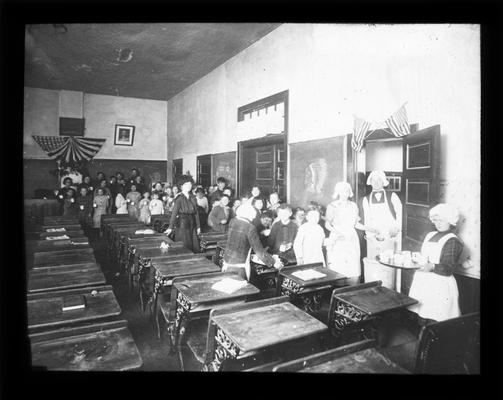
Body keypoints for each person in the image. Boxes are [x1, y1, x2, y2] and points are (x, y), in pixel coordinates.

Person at [407, 204, 463, 322]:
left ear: (450, 220)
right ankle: (421, 339)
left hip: (440, 284)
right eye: (435, 220)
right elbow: (425, 256)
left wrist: (431, 266)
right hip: (424, 282)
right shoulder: (430, 235)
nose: (438, 223)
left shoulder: (452, 240)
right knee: (422, 314)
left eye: (441, 220)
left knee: (436, 318)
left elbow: (448, 268)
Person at [361, 170, 402, 288]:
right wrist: (371, 236)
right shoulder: (366, 199)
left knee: (390, 264)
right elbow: (367, 220)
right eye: (374, 180)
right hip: (374, 237)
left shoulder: (392, 196)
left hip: (391, 235)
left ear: (383, 181)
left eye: (379, 180)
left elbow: (400, 213)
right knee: (374, 265)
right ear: (370, 182)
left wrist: (396, 228)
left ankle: (391, 289)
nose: (376, 182)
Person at [222, 203, 281, 280]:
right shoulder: (250, 227)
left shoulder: (233, 221)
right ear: (252, 215)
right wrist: (274, 262)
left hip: (227, 261)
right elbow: (259, 251)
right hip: (240, 266)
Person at [325, 182, 368, 284]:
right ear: (338, 192)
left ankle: (351, 293)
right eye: (342, 191)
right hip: (338, 238)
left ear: (349, 192)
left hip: (351, 238)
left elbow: (356, 224)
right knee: (338, 268)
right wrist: (338, 233)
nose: (344, 193)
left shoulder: (353, 206)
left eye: (346, 190)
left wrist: (369, 228)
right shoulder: (332, 206)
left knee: (352, 268)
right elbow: (327, 225)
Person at [164, 176, 201, 252]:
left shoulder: (193, 197)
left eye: (190, 184)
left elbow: (196, 213)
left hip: (192, 224)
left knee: (194, 247)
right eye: (186, 185)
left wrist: (198, 226)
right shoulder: (179, 198)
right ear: (181, 186)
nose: (189, 186)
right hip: (182, 225)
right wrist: (170, 227)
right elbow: (174, 214)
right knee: (184, 246)